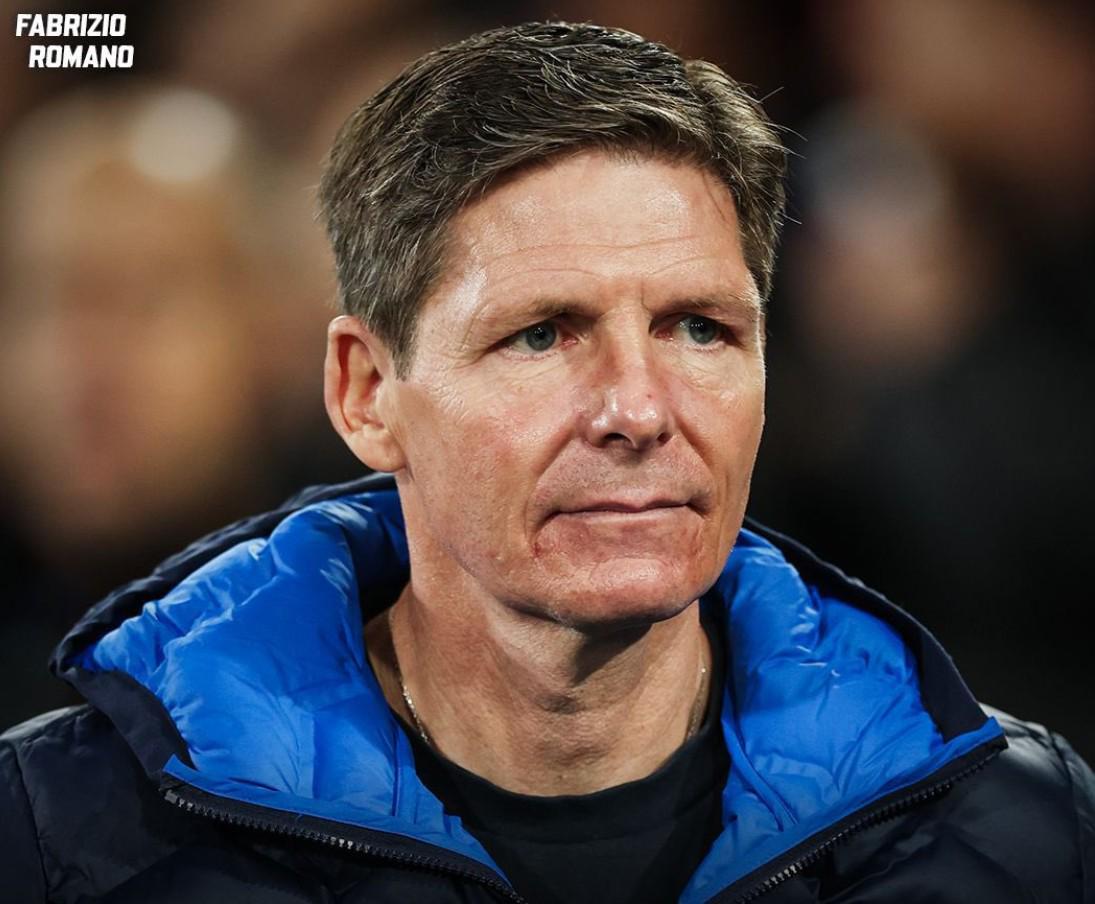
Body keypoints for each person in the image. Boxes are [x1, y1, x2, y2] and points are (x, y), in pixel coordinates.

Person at [1, 21, 1091, 904]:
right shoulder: (58, 835)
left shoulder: (1025, 833)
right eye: (542, 334)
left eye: (700, 328)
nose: (638, 410)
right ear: (366, 393)